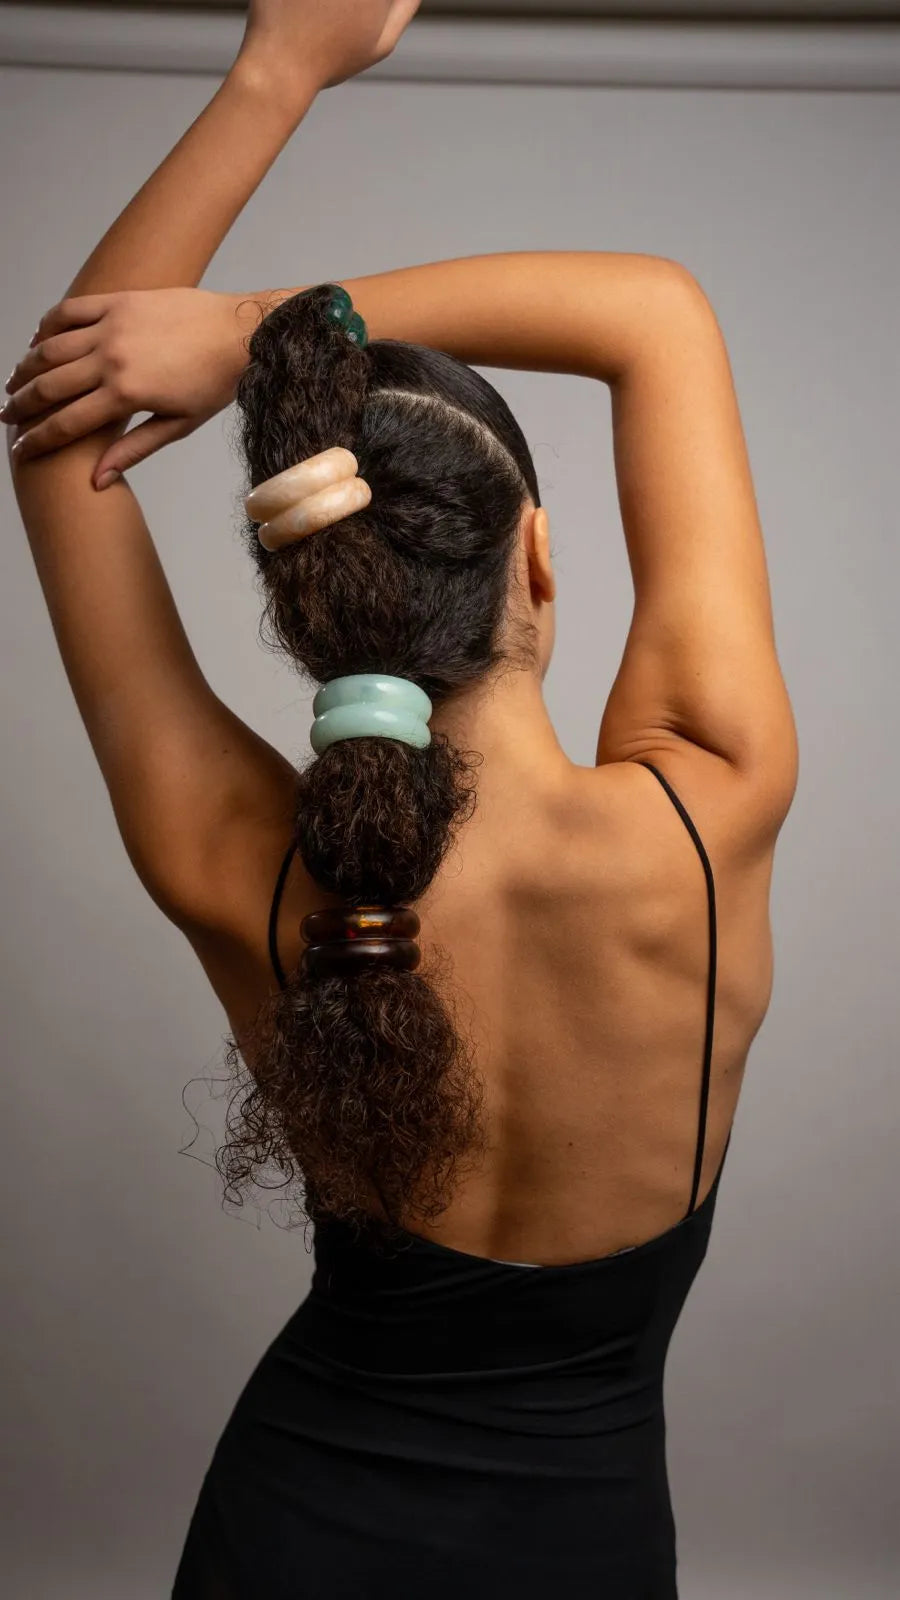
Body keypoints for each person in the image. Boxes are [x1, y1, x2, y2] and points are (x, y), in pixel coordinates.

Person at [3, 1, 798, 1594]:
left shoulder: (247, 870)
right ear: (541, 563)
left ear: (310, 614)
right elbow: (658, 313)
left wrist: (275, 68)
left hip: (286, 1538)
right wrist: (264, 328)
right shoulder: (711, 812)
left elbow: (51, 432)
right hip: (588, 1555)